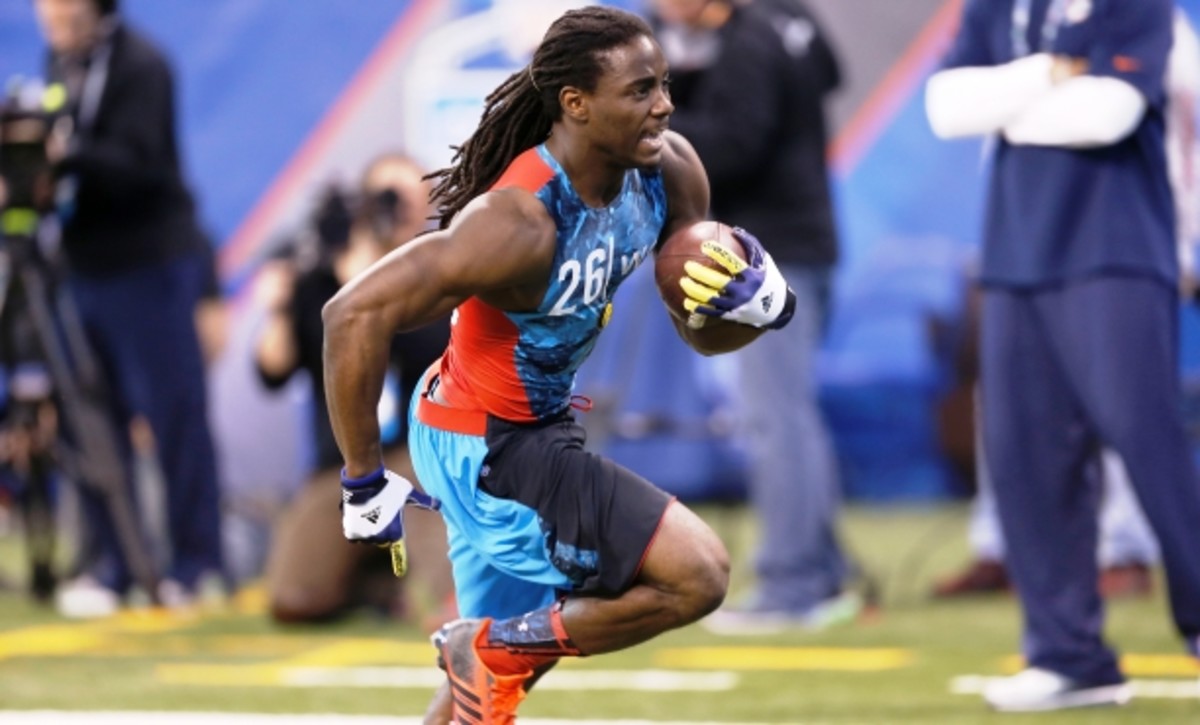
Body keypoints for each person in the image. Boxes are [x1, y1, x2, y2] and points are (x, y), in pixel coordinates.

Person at [322, 6, 797, 723]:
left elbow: (699, 336)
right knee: (697, 572)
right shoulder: (516, 223)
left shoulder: (669, 170)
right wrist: (361, 480)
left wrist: (762, 309)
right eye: (641, 90)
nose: (664, 104)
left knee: (482, 698)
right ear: (575, 103)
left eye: (664, 83)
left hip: (528, 430)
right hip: (483, 442)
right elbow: (351, 313)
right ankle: (492, 648)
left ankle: (487, 654)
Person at [926, 0, 1200, 712]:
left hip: (1118, 250)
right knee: (1026, 459)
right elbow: (946, 108)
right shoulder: (997, 6)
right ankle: (1069, 653)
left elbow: (1106, 113)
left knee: (1151, 446)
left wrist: (1004, 97)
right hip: (1016, 258)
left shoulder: (1137, 6)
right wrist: (1050, 72)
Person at [648, 0, 857, 633]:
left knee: (776, 419)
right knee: (789, 415)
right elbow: (832, 72)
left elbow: (735, 143)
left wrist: (651, 124)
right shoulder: (787, 21)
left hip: (767, 255)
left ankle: (796, 583)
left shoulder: (749, 41)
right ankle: (818, 569)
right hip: (800, 243)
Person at [32, 0, 225, 616]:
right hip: (81, 266)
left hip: (148, 265)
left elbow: (145, 167)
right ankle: (113, 566)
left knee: (174, 417)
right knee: (92, 418)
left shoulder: (143, 64)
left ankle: (196, 565)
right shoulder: (59, 60)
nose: (48, 12)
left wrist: (63, 152)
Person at [255, 152, 453, 625]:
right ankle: (371, 580)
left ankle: (419, 583)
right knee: (294, 599)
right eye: (385, 197)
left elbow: (432, 348)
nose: (395, 210)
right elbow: (272, 372)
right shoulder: (319, 277)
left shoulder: (441, 270)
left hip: (417, 454)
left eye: (406, 198)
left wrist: (366, 286)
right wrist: (280, 307)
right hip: (342, 462)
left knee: (443, 604)